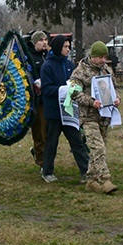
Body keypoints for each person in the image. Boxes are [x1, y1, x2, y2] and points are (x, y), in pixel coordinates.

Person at [70, 42, 121, 194]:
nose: (103, 60)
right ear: (92, 56)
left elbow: (115, 87)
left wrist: (116, 98)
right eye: (100, 57)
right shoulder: (80, 72)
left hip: (104, 116)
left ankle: (91, 180)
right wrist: (91, 102)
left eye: (105, 57)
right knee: (97, 147)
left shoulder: (106, 70)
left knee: (99, 149)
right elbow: (74, 92)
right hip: (88, 117)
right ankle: (105, 179)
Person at [39, 35, 89, 183]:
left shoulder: (69, 65)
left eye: (69, 47)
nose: (68, 49)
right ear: (58, 47)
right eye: (65, 47)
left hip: (68, 112)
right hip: (54, 112)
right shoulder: (47, 66)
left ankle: (86, 171)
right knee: (51, 142)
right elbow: (46, 89)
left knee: (77, 141)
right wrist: (63, 90)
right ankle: (47, 171)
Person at [26, 30, 50, 168]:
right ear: (35, 42)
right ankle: (41, 160)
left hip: (49, 99)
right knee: (39, 131)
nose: (44, 42)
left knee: (49, 130)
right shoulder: (29, 57)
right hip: (37, 101)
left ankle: (41, 153)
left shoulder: (48, 56)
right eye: (41, 40)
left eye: (46, 39)